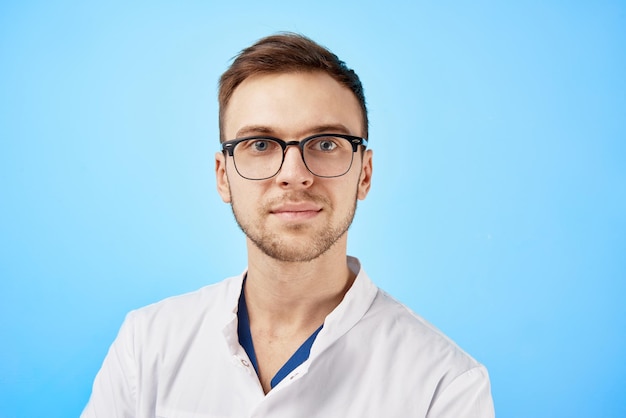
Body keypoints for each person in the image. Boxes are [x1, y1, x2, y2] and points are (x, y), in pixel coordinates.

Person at [82, 33, 494, 418]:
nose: (294, 175)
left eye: (326, 143)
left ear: (364, 174)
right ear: (223, 176)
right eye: (260, 144)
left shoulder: (445, 385)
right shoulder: (146, 346)